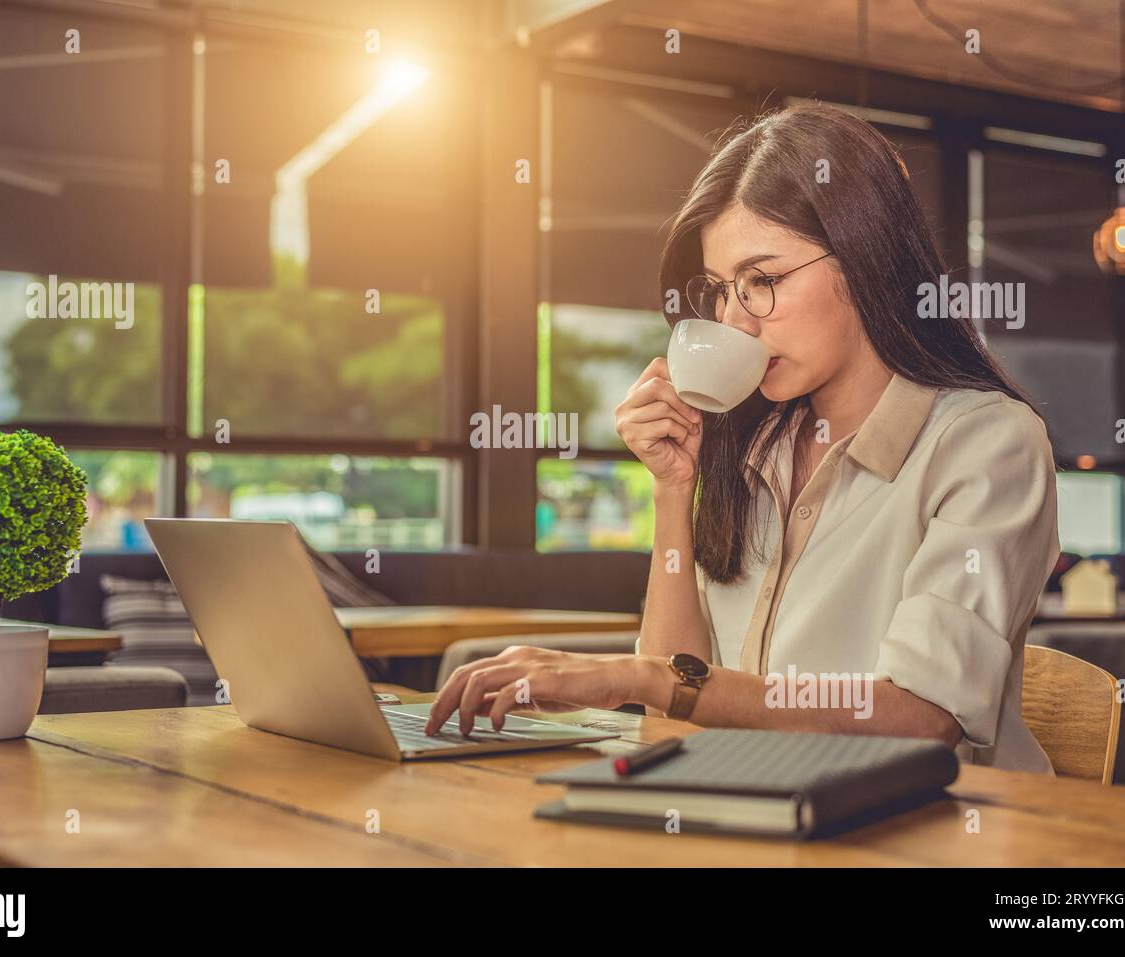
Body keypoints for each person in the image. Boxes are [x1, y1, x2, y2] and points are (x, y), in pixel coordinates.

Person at [427, 103, 1058, 773]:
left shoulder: (987, 444)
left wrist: (640, 676)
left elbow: (922, 716)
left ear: (865, 254)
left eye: (763, 281)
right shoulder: (758, 448)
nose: (735, 320)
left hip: (927, 834)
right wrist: (674, 489)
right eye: (724, 290)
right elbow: (679, 712)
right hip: (761, 811)